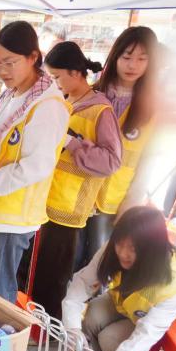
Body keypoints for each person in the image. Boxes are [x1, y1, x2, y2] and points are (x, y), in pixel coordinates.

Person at [0, 21, 71, 303]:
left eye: (10, 62)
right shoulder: (10, 94)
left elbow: (35, 166)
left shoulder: (47, 106)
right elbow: (5, 144)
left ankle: (0, 334)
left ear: (33, 57)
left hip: (13, 217)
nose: (2, 70)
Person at [62, 206, 176, 351]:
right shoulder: (112, 250)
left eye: (133, 248)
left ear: (152, 249)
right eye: (120, 243)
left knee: (109, 339)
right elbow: (82, 283)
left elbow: (144, 337)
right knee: (91, 316)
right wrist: (73, 330)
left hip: (161, 323)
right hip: (127, 304)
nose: (123, 252)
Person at [31, 41, 123, 319]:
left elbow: (111, 162)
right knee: (36, 272)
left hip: (68, 210)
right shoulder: (65, 101)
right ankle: (32, 324)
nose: (54, 83)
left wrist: (73, 143)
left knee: (53, 278)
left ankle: (50, 331)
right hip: (44, 202)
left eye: (57, 76)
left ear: (75, 72)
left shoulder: (100, 111)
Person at [77, 26, 159, 269]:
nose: (133, 65)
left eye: (142, 59)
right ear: (115, 57)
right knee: (67, 263)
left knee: (99, 265)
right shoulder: (90, 94)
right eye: (127, 56)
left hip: (113, 202)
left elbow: (148, 162)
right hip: (76, 194)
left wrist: (132, 203)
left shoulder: (152, 108)